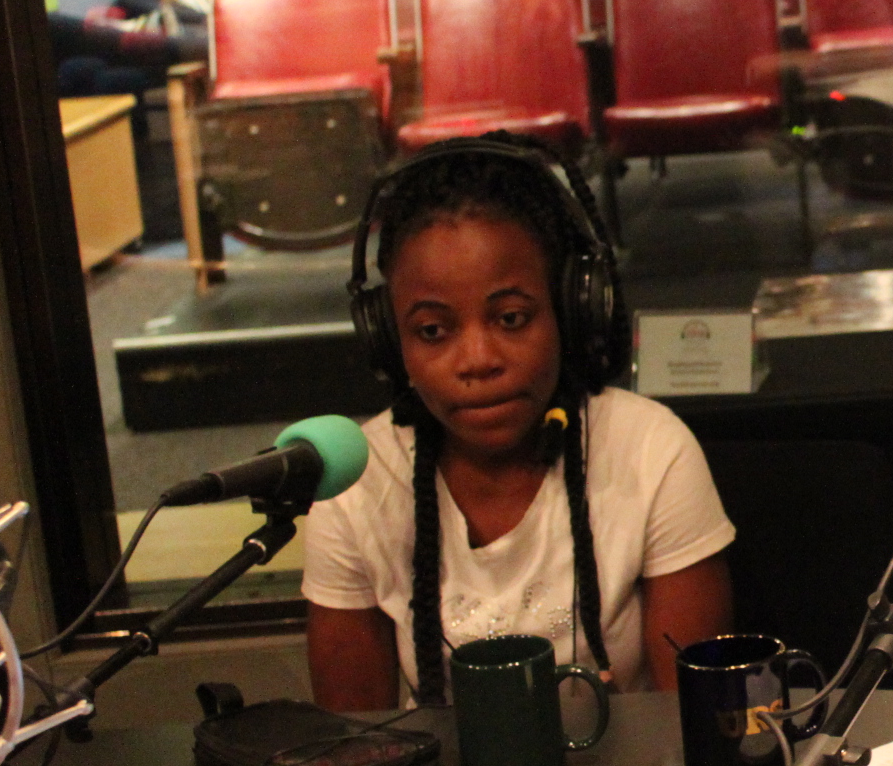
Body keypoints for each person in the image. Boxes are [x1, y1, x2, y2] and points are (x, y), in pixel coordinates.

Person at [302, 137, 736, 710]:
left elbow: (697, 725)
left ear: (571, 307)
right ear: (388, 339)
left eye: (511, 318)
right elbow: (354, 747)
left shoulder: (650, 449)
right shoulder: (355, 484)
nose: (478, 359)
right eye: (433, 330)